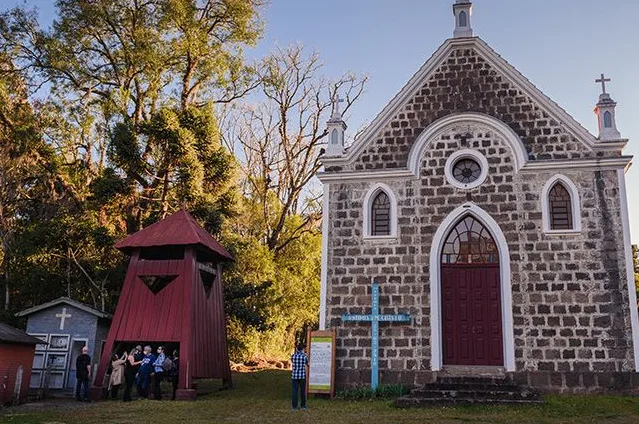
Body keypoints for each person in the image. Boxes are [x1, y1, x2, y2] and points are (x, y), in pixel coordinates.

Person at [290, 343, 309, 411]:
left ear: (297, 349)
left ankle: (294, 407)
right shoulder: (304, 356)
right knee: (303, 391)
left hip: (294, 376)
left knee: (294, 391)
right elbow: (307, 364)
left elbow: (292, 362)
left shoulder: (293, 356)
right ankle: (303, 406)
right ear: (303, 349)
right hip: (302, 376)